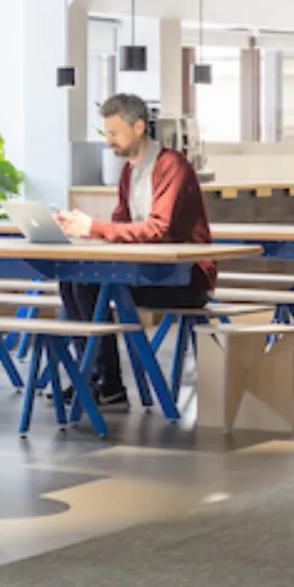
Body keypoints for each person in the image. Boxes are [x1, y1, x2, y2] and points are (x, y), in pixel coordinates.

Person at [52, 93, 216, 412]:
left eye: (114, 133)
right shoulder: (129, 171)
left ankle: (108, 383)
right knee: (72, 282)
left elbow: (157, 229)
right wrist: (83, 234)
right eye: (107, 134)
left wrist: (93, 229)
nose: (109, 141)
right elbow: (120, 224)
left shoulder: (172, 166)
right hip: (145, 271)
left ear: (139, 127)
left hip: (185, 279)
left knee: (89, 284)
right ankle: (94, 378)